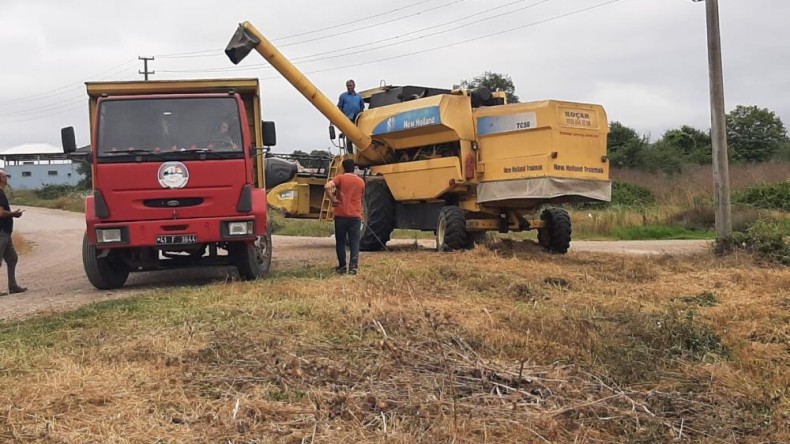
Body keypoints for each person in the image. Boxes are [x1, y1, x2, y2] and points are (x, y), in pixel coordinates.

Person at [324, 159, 365, 275]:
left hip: (341, 215)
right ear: (354, 168)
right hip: (355, 216)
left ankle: (342, 266)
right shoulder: (361, 181)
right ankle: (353, 267)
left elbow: (327, 186)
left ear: (343, 167)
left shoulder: (340, 178)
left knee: (341, 242)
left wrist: (333, 199)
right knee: (355, 242)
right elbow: (361, 197)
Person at [0, 170, 27, 295]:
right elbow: (1, 213)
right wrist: (14, 214)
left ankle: (12, 285)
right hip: (1, 232)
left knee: (12, 258)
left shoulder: (2, 192)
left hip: (5, 232)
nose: (7, 178)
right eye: (5, 176)